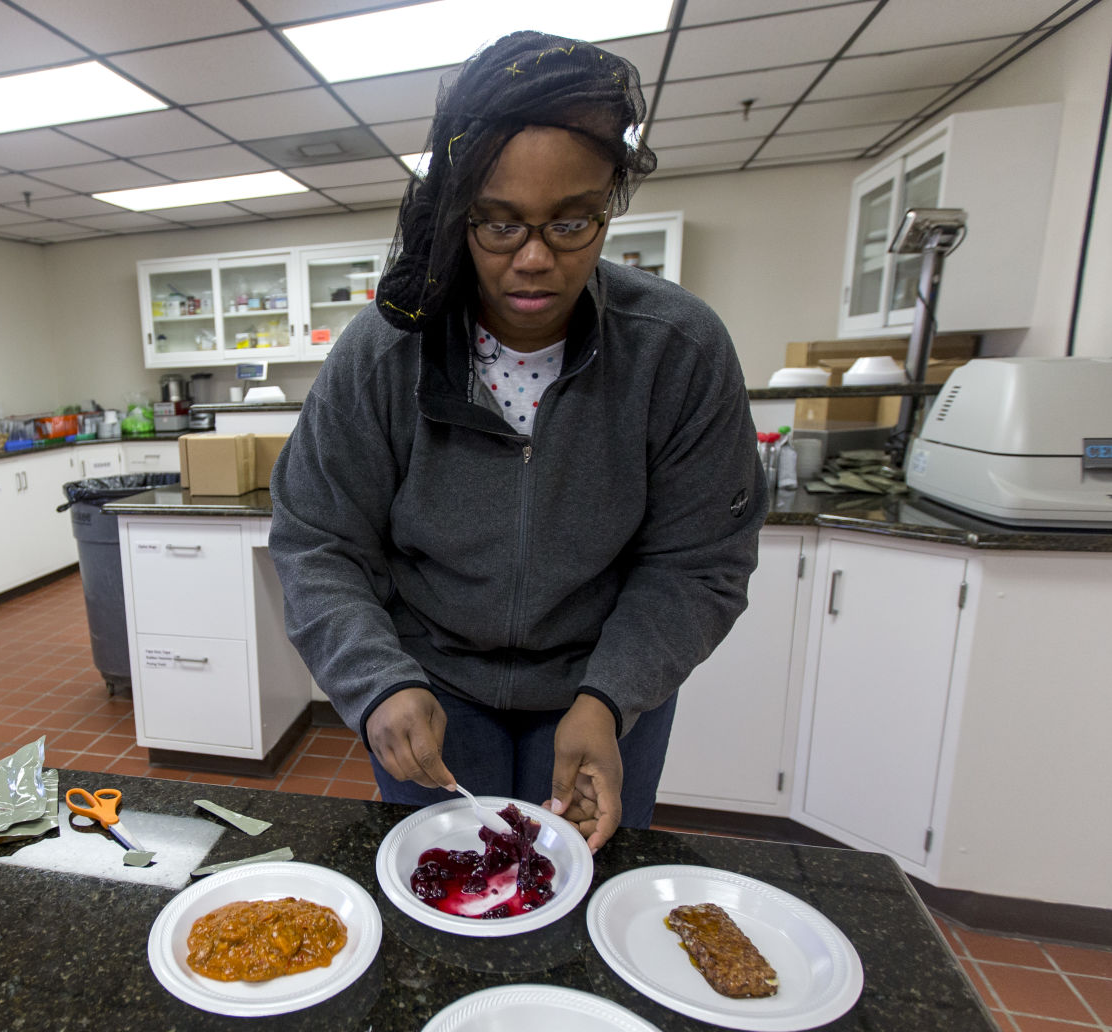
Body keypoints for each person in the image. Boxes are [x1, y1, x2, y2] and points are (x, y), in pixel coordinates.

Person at [268, 30, 766, 852]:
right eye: (497, 226)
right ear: (456, 213)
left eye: (571, 223)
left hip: (601, 687)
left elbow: (700, 560)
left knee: (580, 887)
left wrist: (610, 697)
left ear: (609, 202)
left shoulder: (678, 349)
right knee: (451, 897)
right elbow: (316, 539)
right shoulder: (384, 351)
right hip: (429, 685)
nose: (533, 260)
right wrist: (377, 682)